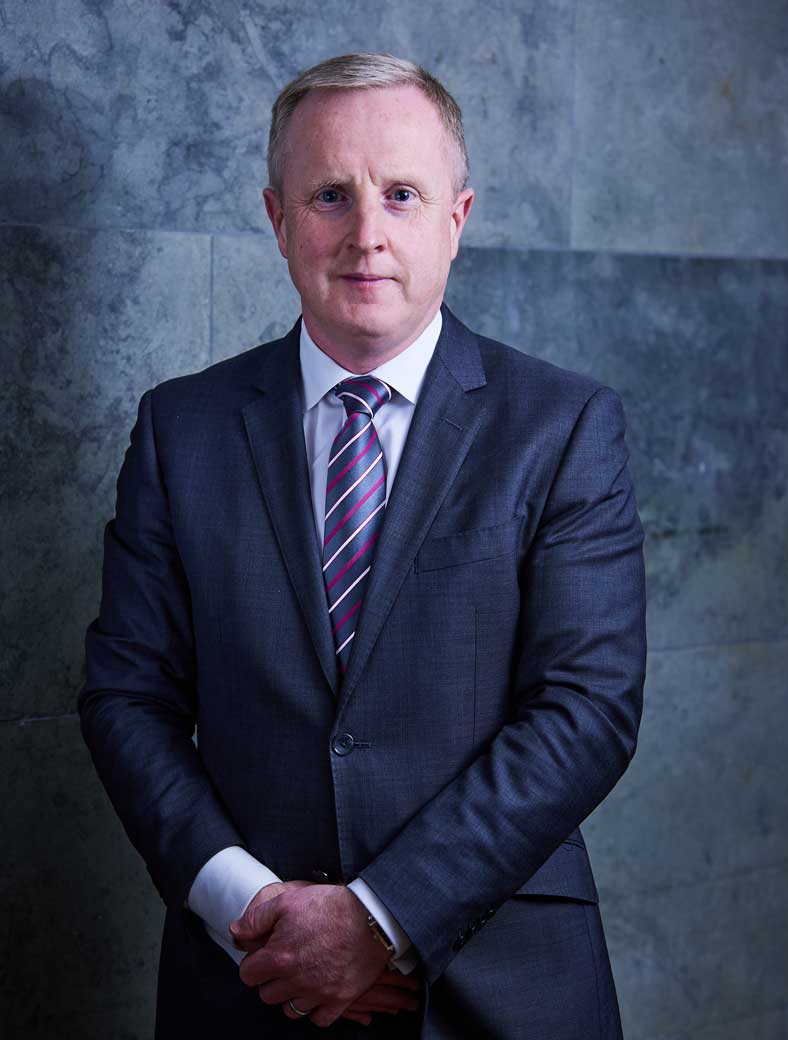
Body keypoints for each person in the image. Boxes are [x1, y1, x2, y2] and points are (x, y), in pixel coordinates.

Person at [79, 52, 646, 1039]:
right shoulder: (182, 429)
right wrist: (249, 904)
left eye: (401, 194)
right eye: (330, 195)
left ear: (457, 219)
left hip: (501, 985)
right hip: (252, 979)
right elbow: (127, 698)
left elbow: (587, 709)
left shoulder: (561, 427)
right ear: (278, 219)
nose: (367, 233)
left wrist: (382, 917)